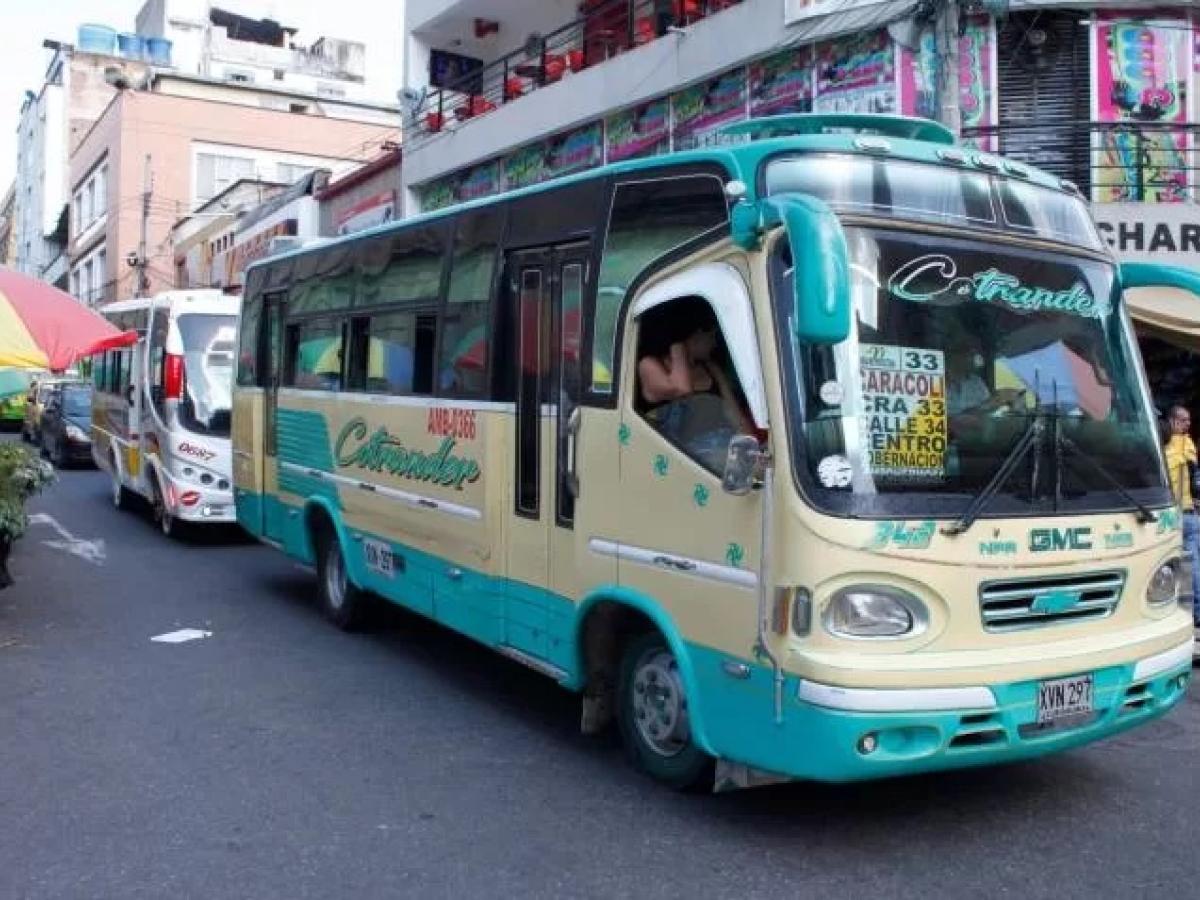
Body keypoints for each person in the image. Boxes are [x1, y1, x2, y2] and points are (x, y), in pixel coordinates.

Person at [637, 301, 754, 470]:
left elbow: (733, 414)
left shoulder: (711, 368)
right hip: (685, 456)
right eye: (711, 336)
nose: (714, 343)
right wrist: (678, 344)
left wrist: (751, 445)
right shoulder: (650, 364)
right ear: (696, 334)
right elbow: (682, 388)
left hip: (723, 445)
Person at [1163, 405, 1200, 629]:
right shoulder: (1183, 444)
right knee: (1192, 566)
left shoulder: (1162, 444)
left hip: (1174, 513)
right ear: (1173, 421)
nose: (1188, 425)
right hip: (1180, 514)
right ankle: (1194, 613)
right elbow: (1195, 475)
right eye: (1184, 421)